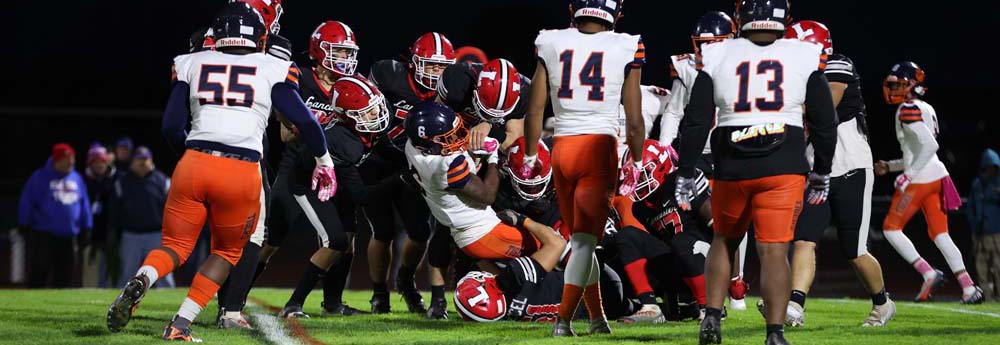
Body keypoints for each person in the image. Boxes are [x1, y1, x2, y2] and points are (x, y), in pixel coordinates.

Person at [106, 3, 336, 341]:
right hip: (241, 168)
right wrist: (324, 160)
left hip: (194, 161)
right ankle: (180, 323)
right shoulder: (273, 65)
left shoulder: (191, 61)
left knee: (175, 245)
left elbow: (171, 125)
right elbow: (304, 120)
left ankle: (144, 277)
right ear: (258, 35)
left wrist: (191, 156)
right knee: (228, 251)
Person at [673, 1, 839, 344]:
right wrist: (822, 169)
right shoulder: (803, 53)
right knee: (774, 251)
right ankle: (775, 334)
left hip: (732, 162)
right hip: (784, 163)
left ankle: (712, 319)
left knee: (724, 240)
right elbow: (825, 122)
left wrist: (685, 171)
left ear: (739, 19)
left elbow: (697, 121)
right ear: (786, 20)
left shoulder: (717, 54)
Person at [521, 0, 647, 336]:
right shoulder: (627, 44)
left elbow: (536, 108)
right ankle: (563, 320)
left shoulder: (551, 41)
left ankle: (596, 319)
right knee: (582, 243)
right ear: (616, 12)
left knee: (580, 241)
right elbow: (634, 120)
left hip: (561, 147)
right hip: (598, 148)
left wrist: (532, 155)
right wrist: (636, 158)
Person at [779, 20, 895, 327]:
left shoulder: (838, 65)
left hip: (851, 167)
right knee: (804, 239)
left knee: (854, 250)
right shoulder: (795, 78)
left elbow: (824, 106)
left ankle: (883, 303)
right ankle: (795, 305)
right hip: (819, 172)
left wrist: (779, 104)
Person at [277, 75, 398, 319]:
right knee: (335, 241)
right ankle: (293, 304)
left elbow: (388, 153)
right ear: (348, 115)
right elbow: (361, 195)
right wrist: (402, 180)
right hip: (309, 185)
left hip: (337, 184)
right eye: (369, 112)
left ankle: (333, 304)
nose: (377, 115)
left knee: (349, 240)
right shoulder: (343, 141)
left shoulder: (360, 129)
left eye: (376, 108)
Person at [660, 12, 750, 310]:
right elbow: (673, 111)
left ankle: (737, 279)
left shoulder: (744, 62)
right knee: (705, 218)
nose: (707, 49)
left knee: (738, 215)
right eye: (703, 43)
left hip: (731, 149)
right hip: (698, 153)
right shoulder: (688, 65)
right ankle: (706, 280)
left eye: (714, 42)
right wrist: (663, 150)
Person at [876, 61, 984, 304]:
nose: (893, 88)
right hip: (937, 175)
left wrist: (909, 174)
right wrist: (892, 167)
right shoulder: (925, 107)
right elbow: (918, 151)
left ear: (914, 85)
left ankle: (927, 271)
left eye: (899, 83)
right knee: (940, 234)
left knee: (891, 229)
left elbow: (930, 146)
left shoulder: (907, 108)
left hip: (922, 178)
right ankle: (968, 287)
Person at [363, 32, 455, 314]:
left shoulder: (450, 92)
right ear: (414, 63)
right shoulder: (388, 75)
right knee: (382, 231)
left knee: (419, 231)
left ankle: (405, 280)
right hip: (378, 162)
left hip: (414, 168)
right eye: (432, 66)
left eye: (443, 67)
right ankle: (379, 293)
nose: (438, 73)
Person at [18, 143, 92, 288]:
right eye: (67, 159)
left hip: (69, 235)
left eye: (72, 158)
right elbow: (27, 201)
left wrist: (86, 227)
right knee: (39, 271)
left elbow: (84, 205)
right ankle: (33, 303)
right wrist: (24, 223)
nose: (71, 162)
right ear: (57, 160)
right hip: (45, 234)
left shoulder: (76, 178)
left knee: (66, 274)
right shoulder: (39, 177)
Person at [110, 146, 175, 288]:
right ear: (132, 162)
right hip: (131, 235)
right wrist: (115, 231)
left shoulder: (163, 181)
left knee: (163, 272)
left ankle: (168, 301)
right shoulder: (122, 182)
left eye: (145, 159)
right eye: (138, 159)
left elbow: (172, 210)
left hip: (156, 234)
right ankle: (123, 302)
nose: (142, 163)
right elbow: (115, 210)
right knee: (128, 272)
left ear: (151, 161)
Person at [968, 149, 1000, 300]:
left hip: (997, 233)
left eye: (993, 167)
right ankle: (987, 298)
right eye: (988, 167)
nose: (990, 170)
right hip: (980, 234)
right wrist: (975, 225)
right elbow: (971, 208)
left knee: (998, 266)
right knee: (981, 267)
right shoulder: (977, 184)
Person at [83, 143, 116, 288]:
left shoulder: (116, 179)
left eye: (102, 161)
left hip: (111, 233)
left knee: (112, 274)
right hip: (89, 235)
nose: (99, 165)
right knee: (90, 273)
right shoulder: (81, 180)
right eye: (95, 162)